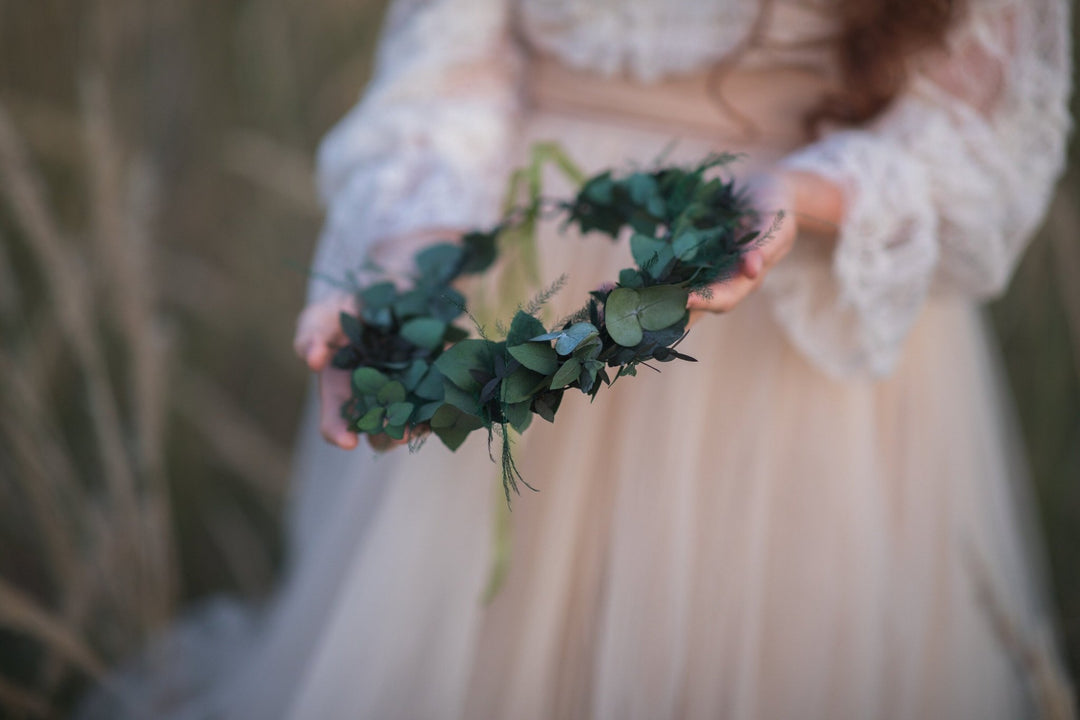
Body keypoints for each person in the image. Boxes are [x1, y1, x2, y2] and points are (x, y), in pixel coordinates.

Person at [248, 0, 1074, 718]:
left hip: (796, 319)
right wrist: (407, 280)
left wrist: (802, 194)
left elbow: (979, 128)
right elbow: (448, 69)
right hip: (518, 271)